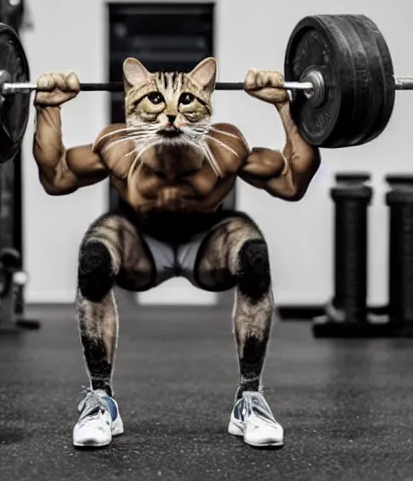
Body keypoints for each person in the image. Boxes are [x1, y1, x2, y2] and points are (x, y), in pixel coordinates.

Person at [32, 57, 320, 449]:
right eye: (154, 100)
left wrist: (287, 105)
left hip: (206, 247)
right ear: (131, 100)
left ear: (206, 102)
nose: (170, 114)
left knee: (252, 253)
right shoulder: (115, 146)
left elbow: (292, 181)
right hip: (141, 247)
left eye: (185, 101)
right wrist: (48, 108)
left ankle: (250, 399)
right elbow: (56, 177)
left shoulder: (226, 147)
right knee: (95, 257)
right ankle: (100, 401)